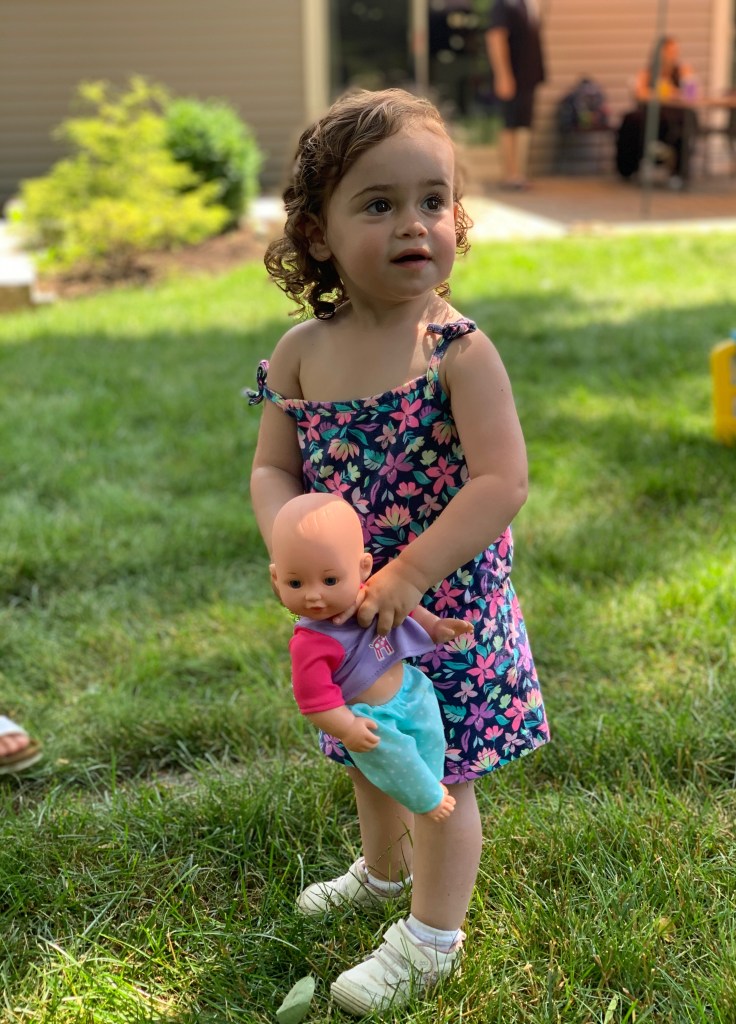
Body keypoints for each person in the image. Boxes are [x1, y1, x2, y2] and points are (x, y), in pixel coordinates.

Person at [248, 87, 549, 1016]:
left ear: (457, 219)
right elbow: (273, 467)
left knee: (439, 775)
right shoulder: (301, 354)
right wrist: (290, 539)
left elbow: (501, 480)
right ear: (318, 234)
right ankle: (382, 874)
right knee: (368, 749)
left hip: (443, 609)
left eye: (433, 200)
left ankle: (430, 940)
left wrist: (411, 569)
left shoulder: (457, 351)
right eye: (378, 204)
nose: (414, 223)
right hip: (349, 612)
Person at [270, 492, 473, 824]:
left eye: (330, 580)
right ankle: (427, 798)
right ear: (276, 579)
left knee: (431, 736)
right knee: (393, 757)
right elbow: (314, 701)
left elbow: (405, 610)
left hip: (411, 689)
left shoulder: (369, 597)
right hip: (372, 717)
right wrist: (347, 727)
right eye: (295, 582)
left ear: (363, 568)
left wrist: (434, 627)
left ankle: (432, 778)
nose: (313, 595)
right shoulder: (310, 643)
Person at [616, 36, 699, 187]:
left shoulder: (683, 71)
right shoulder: (647, 73)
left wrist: (673, 92)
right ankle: (628, 168)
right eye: (668, 51)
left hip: (676, 113)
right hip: (653, 114)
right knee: (631, 120)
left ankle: (678, 172)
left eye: (674, 51)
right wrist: (657, 93)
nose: (671, 55)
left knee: (684, 124)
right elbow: (639, 92)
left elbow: (692, 95)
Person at [485, 0, 546, 190]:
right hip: (513, 77)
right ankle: (510, 174)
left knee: (522, 124)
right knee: (510, 124)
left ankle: (519, 172)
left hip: (528, 77)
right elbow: (496, 37)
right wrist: (503, 75)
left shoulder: (529, 5)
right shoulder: (503, 5)